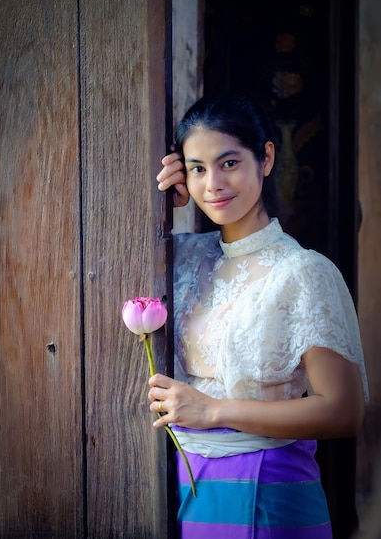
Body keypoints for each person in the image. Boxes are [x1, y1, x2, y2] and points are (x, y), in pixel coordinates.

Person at [148, 92, 368, 538]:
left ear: (265, 158)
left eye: (229, 163)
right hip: (186, 490)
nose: (213, 185)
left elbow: (344, 411)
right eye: (197, 169)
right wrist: (157, 212)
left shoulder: (304, 272)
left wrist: (214, 411)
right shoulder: (181, 258)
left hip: (272, 493)